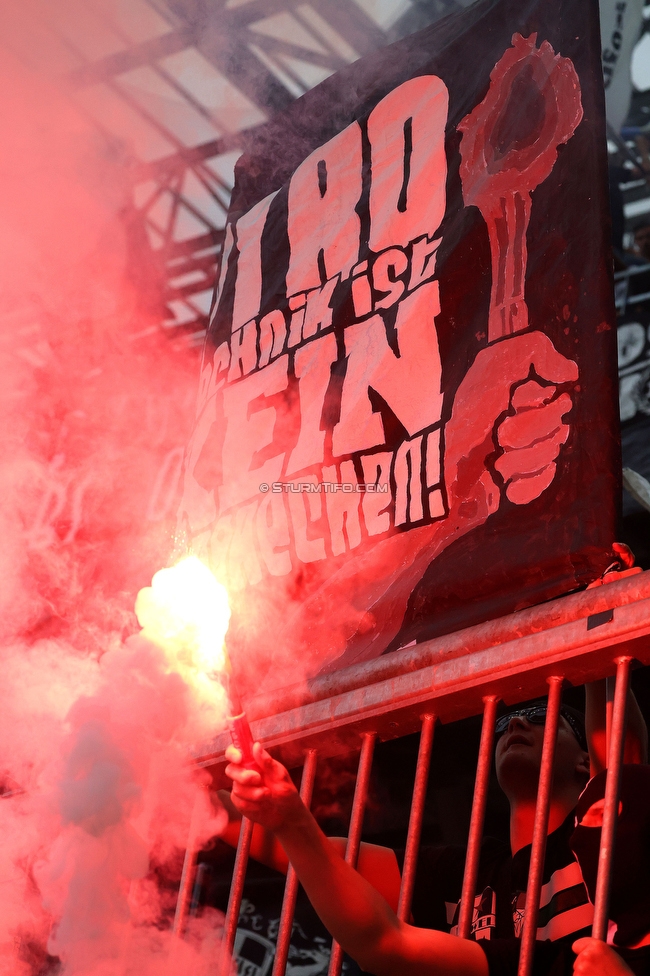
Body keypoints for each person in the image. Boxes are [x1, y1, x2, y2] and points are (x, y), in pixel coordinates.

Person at [223, 685, 648, 976]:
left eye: (542, 716)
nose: (515, 725)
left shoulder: (597, 842)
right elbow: (326, 858)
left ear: (582, 761)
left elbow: (620, 767)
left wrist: (595, 615)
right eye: (502, 724)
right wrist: (197, 796)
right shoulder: (467, 869)